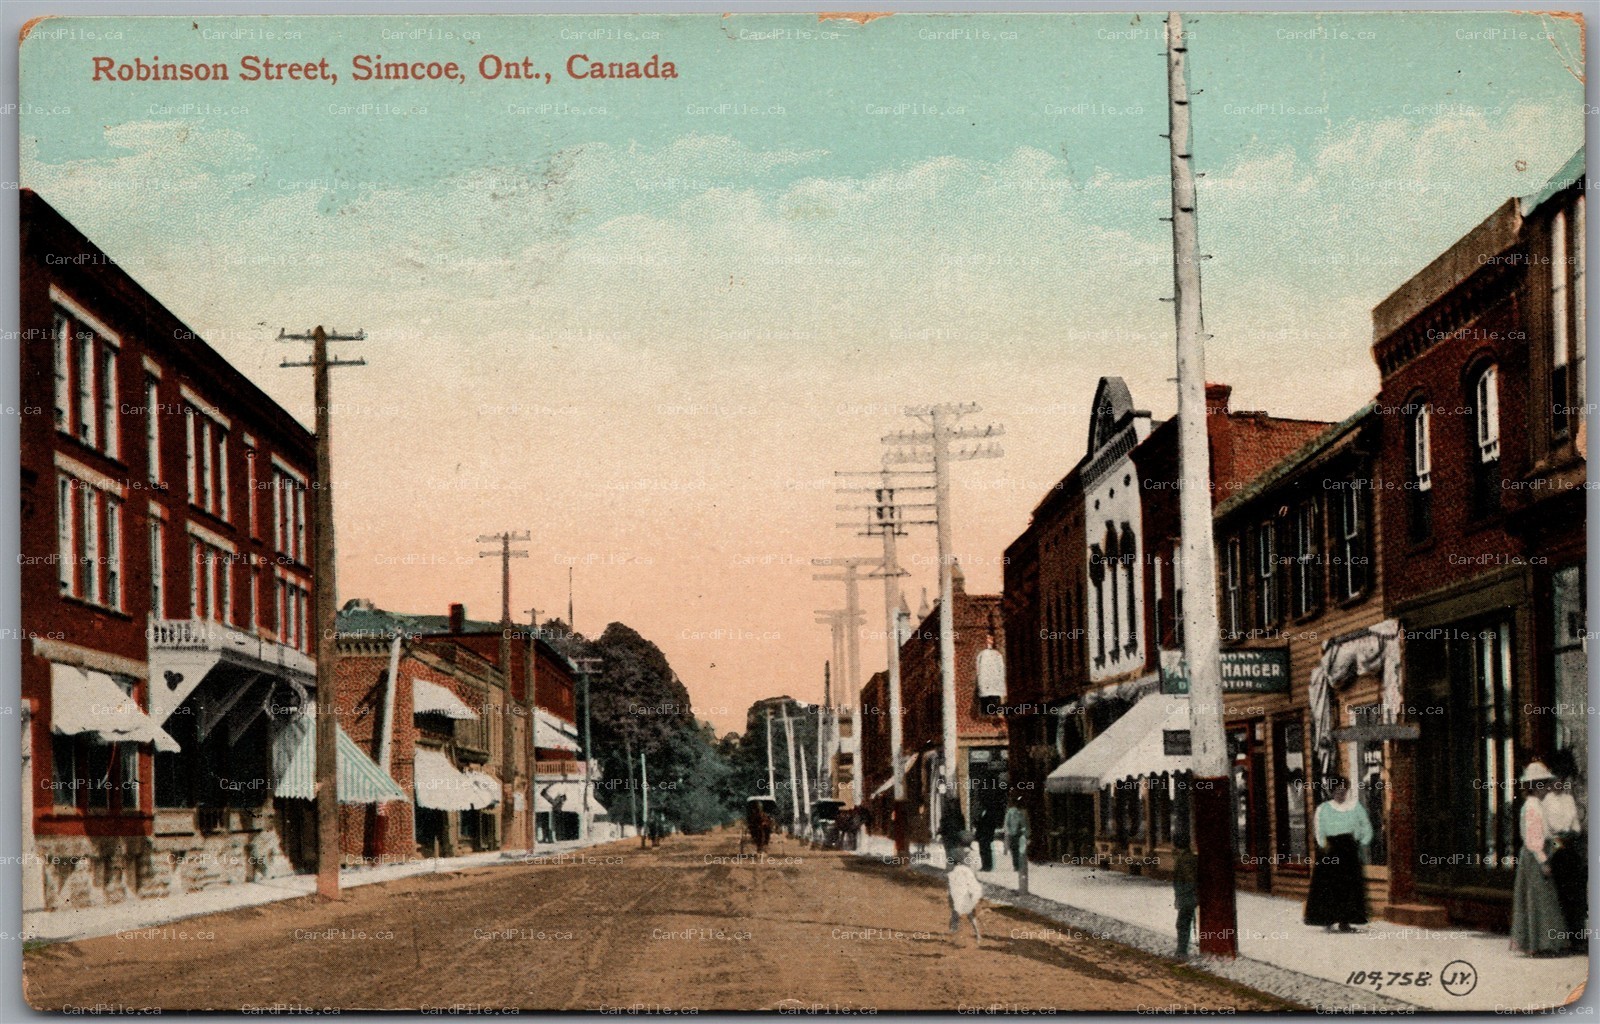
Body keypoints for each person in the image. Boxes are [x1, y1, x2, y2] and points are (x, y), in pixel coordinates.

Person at [1512, 761, 1570, 955]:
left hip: (1539, 851)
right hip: (1534, 855)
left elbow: (1546, 833)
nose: (1547, 788)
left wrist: (1557, 843)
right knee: (1538, 897)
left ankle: (1544, 942)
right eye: (1544, 784)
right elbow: (1533, 837)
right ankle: (1538, 943)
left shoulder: (1538, 805)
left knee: (1543, 898)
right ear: (1536, 787)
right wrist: (1543, 860)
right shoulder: (1532, 807)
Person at [1304, 775, 1371, 932]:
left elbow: (1365, 825)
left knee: (1348, 886)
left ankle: (1345, 921)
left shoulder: (1354, 806)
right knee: (1329, 885)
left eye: (1343, 790)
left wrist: (1362, 841)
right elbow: (1318, 829)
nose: (1341, 794)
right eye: (1338, 791)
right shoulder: (1323, 808)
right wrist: (1323, 846)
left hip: (1348, 849)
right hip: (1331, 850)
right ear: (1332, 791)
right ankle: (1327, 918)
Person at [1545, 751, 1587, 951]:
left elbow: (1576, 825)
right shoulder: (1546, 802)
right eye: (1555, 780)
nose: (1558, 784)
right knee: (1560, 893)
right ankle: (1564, 938)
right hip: (1556, 849)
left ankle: (1577, 935)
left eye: (1562, 780)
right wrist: (1560, 839)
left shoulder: (1569, 800)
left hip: (1571, 847)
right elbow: (1548, 831)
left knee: (1576, 893)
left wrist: (1572, 833)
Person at [946, 844, 984, 942]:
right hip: (968, 894)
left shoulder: (952, 872)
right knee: (971, 916)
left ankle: (954, 935)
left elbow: (951, 885)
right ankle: (978, 935)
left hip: (958, 895)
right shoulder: (967, 870)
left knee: (955, 915)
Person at [1172, 835, 1199, 957]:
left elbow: (1190, 879)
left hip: (1186, 896)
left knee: (1182, 924)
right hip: (1188, 896)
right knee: (1184, 922)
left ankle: (1181, 951)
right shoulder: (1188, 857)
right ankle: (1181, 950)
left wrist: (1182, 896)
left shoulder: (1184, 859)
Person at [938, 794, 967, 869]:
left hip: (951, 838)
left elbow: (943, 827)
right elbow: (962, 828)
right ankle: (956, 868)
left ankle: (952, 868)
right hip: (953, 838)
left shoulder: (946, 816)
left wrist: (941, 833)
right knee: (954, 854)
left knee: (951, 855)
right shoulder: (959, 816)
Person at [1003, 796, 1029, 873]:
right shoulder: (1012, 812)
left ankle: (1018, 865)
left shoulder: (1021, 812)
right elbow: (1007, 823)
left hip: (1017, 833)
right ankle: (1017, 865)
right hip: (1015, 833)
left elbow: (1024, 823)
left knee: (1017, 850)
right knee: (1016, 850)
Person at [974, 803, 998, 872]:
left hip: (986, 836)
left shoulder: (989, 815)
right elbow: (980, 825)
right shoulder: (981, 814)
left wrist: (990, 835)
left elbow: (991, 826)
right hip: (981, 835)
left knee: (987, 851)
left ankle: (988, 866)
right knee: (982, 851)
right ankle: (984, 865)